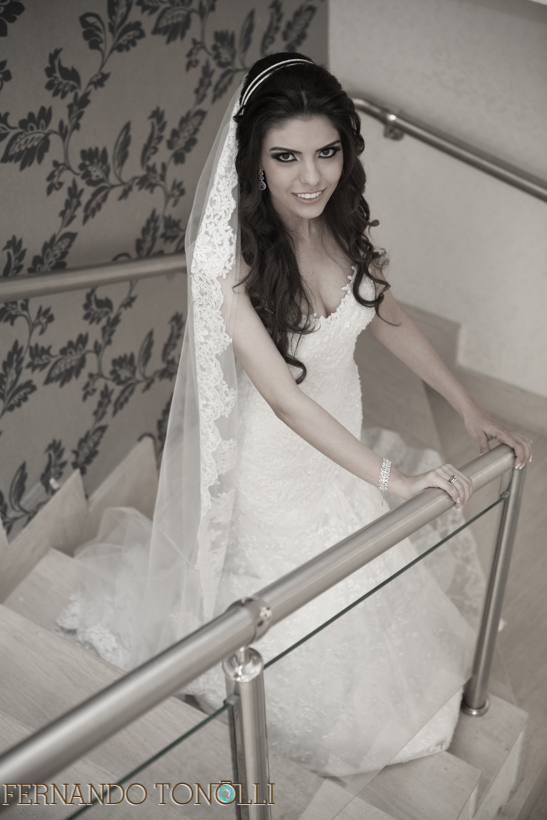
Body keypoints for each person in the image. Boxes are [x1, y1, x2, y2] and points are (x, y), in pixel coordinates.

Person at [59, 53, 532, 778]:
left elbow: (386, 314)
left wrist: (469, 410)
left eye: (326, 153)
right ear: (254, 159)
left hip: (339, 422)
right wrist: (395, 479)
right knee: (301, 580)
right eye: (286, 157)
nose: (311, 177)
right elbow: (282, 399)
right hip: (277, 457)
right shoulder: (228, 261)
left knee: (355, 552)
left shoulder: (337, 219)